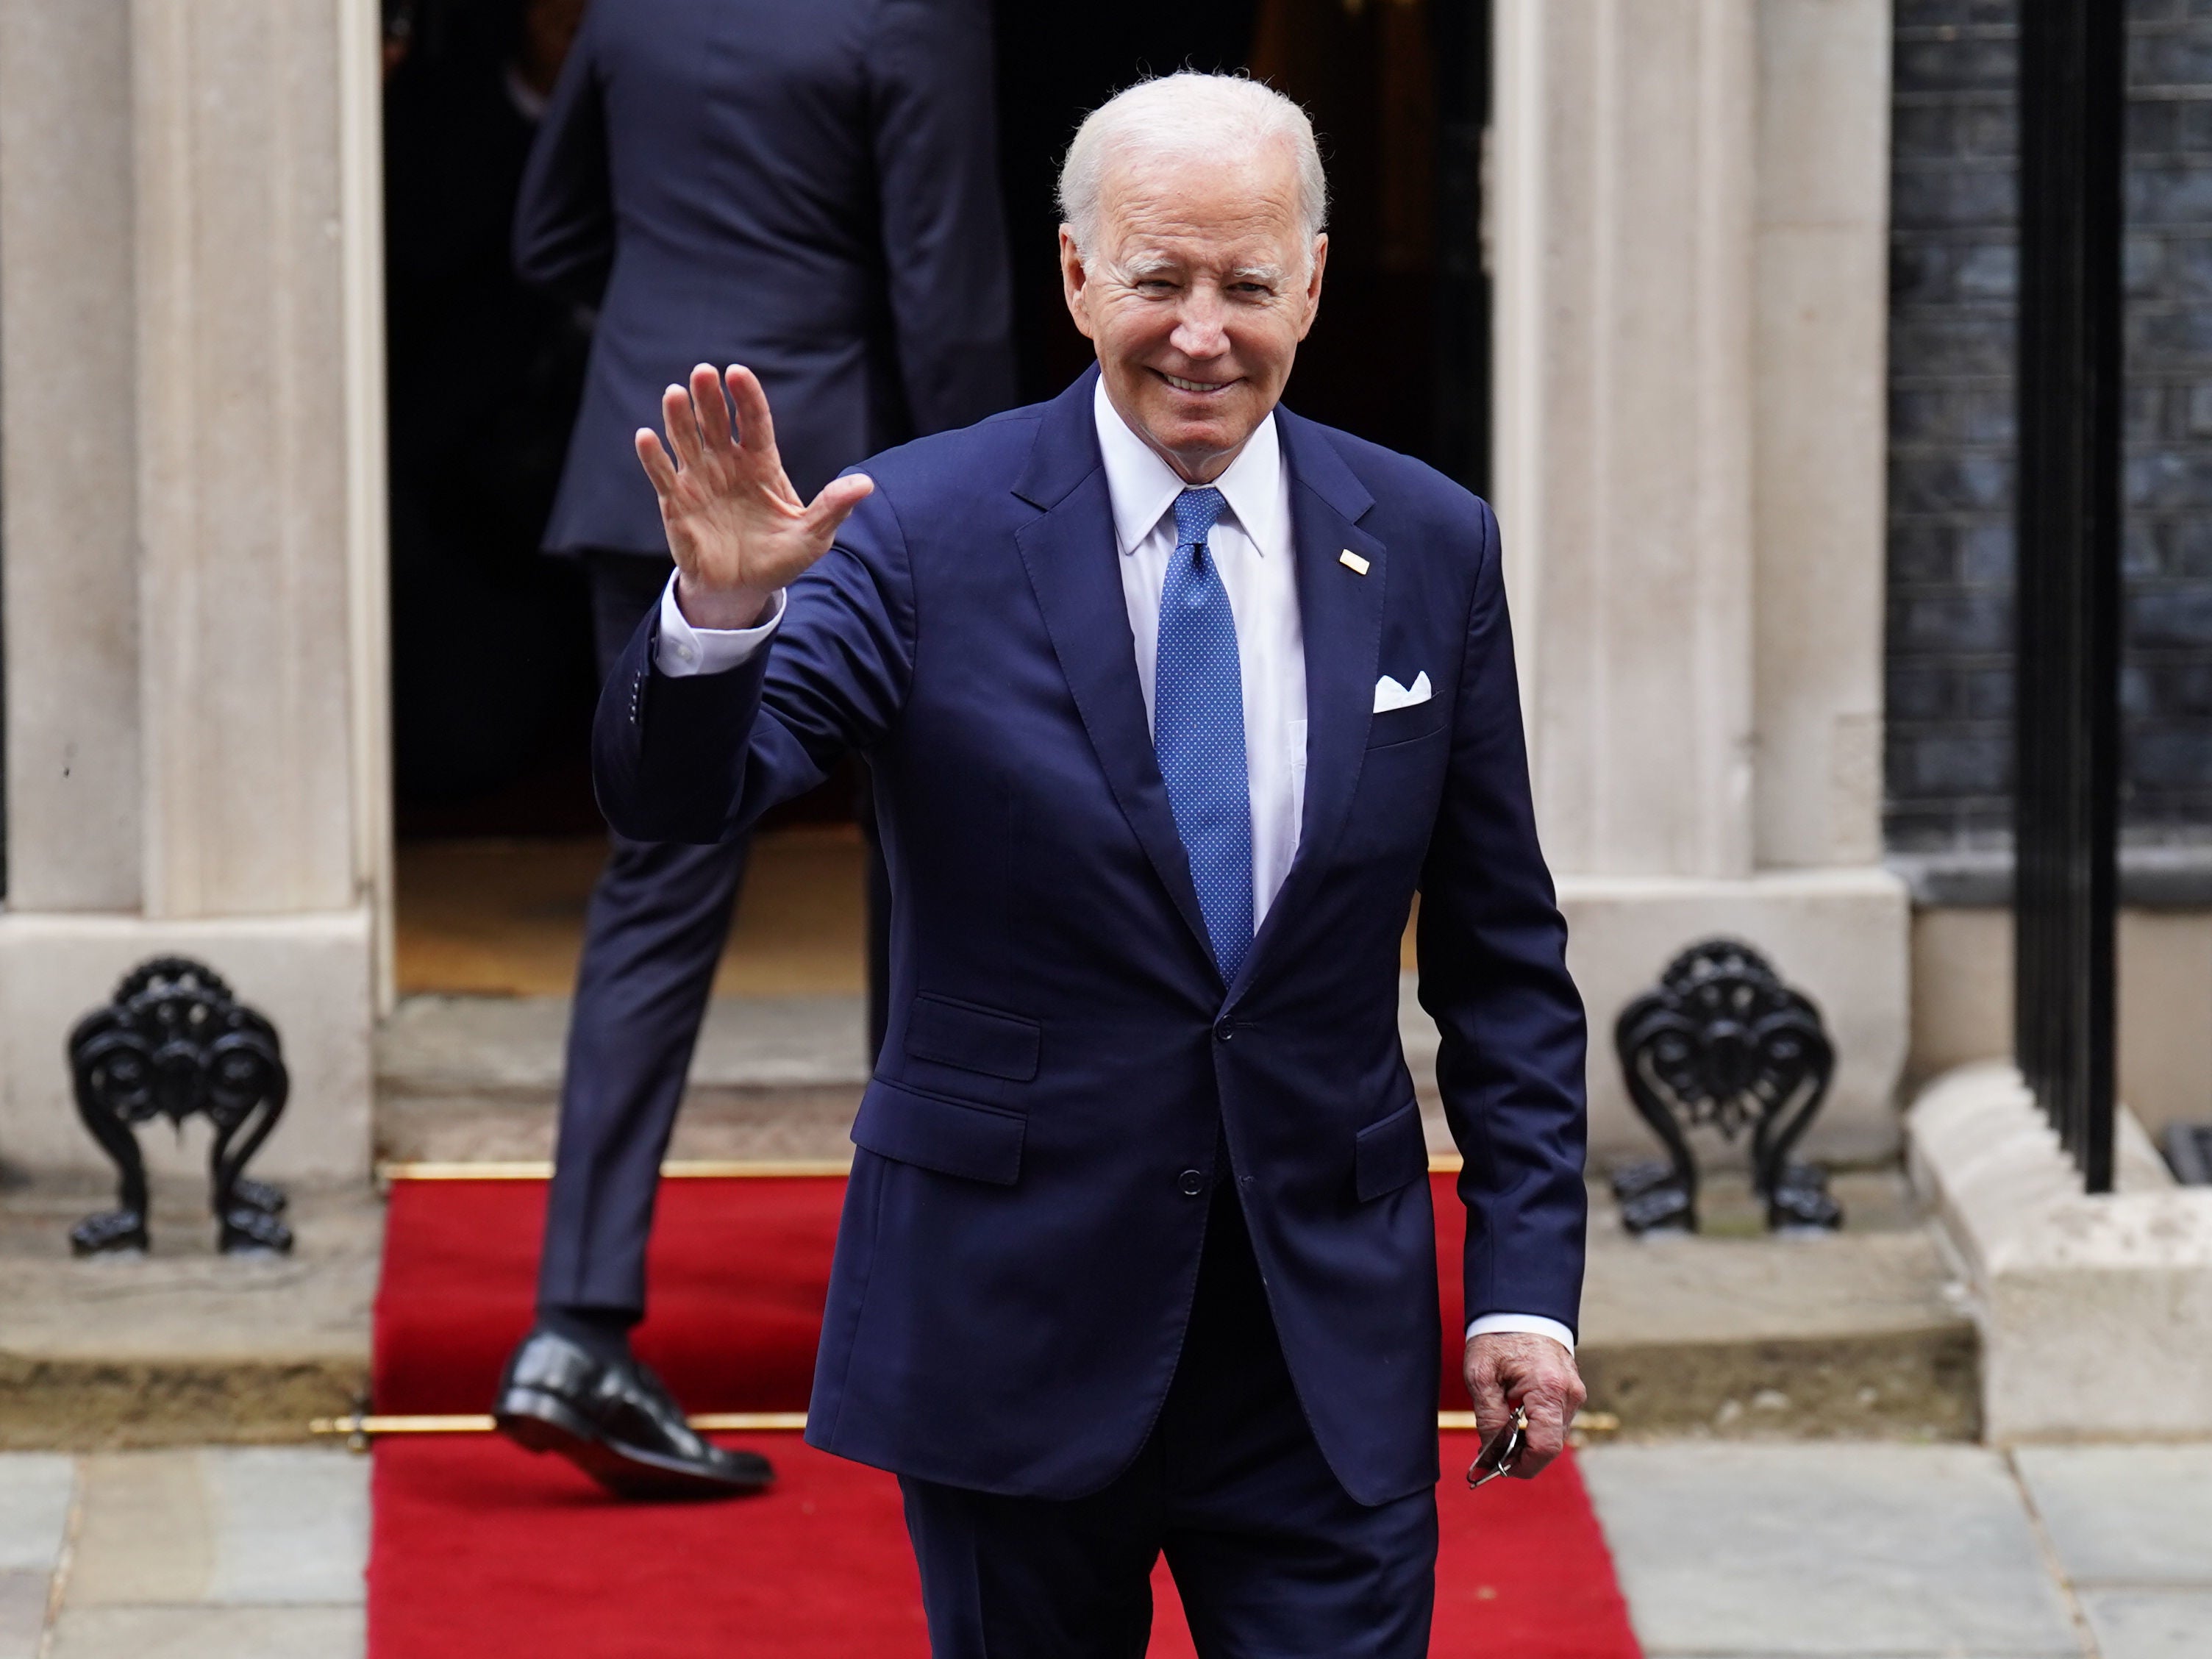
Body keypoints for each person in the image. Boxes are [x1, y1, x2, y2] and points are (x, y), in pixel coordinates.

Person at [600, 71, 1585, 1653]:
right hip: (1014, 1329)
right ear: (1075, 277)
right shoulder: (913, 529)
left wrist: (1524, 1289)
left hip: (1317, 1345)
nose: (1203, 331)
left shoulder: (1427, 543)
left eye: (1247, 285)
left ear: (1312, 283)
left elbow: (1503, 962)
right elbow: (679, 803)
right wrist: (720, 619)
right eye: (1159, 280)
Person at [490, 0, 1014, 1499]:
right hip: (842, 487)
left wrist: (671, 353)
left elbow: (549, 238)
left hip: (646, 470)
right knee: (927, 854)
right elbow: (947, 288)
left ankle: (574, 1325)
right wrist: (995, 508)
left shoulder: (637, 9)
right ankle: (930, 1272)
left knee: (657, 878)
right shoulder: (908, 20)